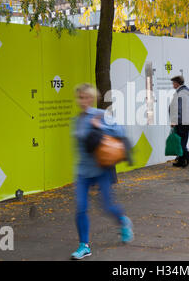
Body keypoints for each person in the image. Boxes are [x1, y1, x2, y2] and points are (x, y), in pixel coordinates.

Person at [71, 83, 133, 260]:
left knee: (106, 206)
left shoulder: (100, 115)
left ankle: (123, 221)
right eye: (80, 97)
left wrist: (100, 127)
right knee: (81, 208)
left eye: (86, 97)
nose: (82, 100)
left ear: (92, 98)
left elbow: (121, 130)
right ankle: (84, 246)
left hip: (101, 169)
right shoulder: (76, 120)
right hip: (83, 172)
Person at [169, 75, 189, 167]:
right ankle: (181, 161)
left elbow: (178, 108)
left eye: (173, 83)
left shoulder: (181, 93)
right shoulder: (186, 91)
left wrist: (174, 121)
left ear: (177, 83)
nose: (173, 85)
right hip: (186, 120)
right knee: (182, 141)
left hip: (182, 121)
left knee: (180, 142)